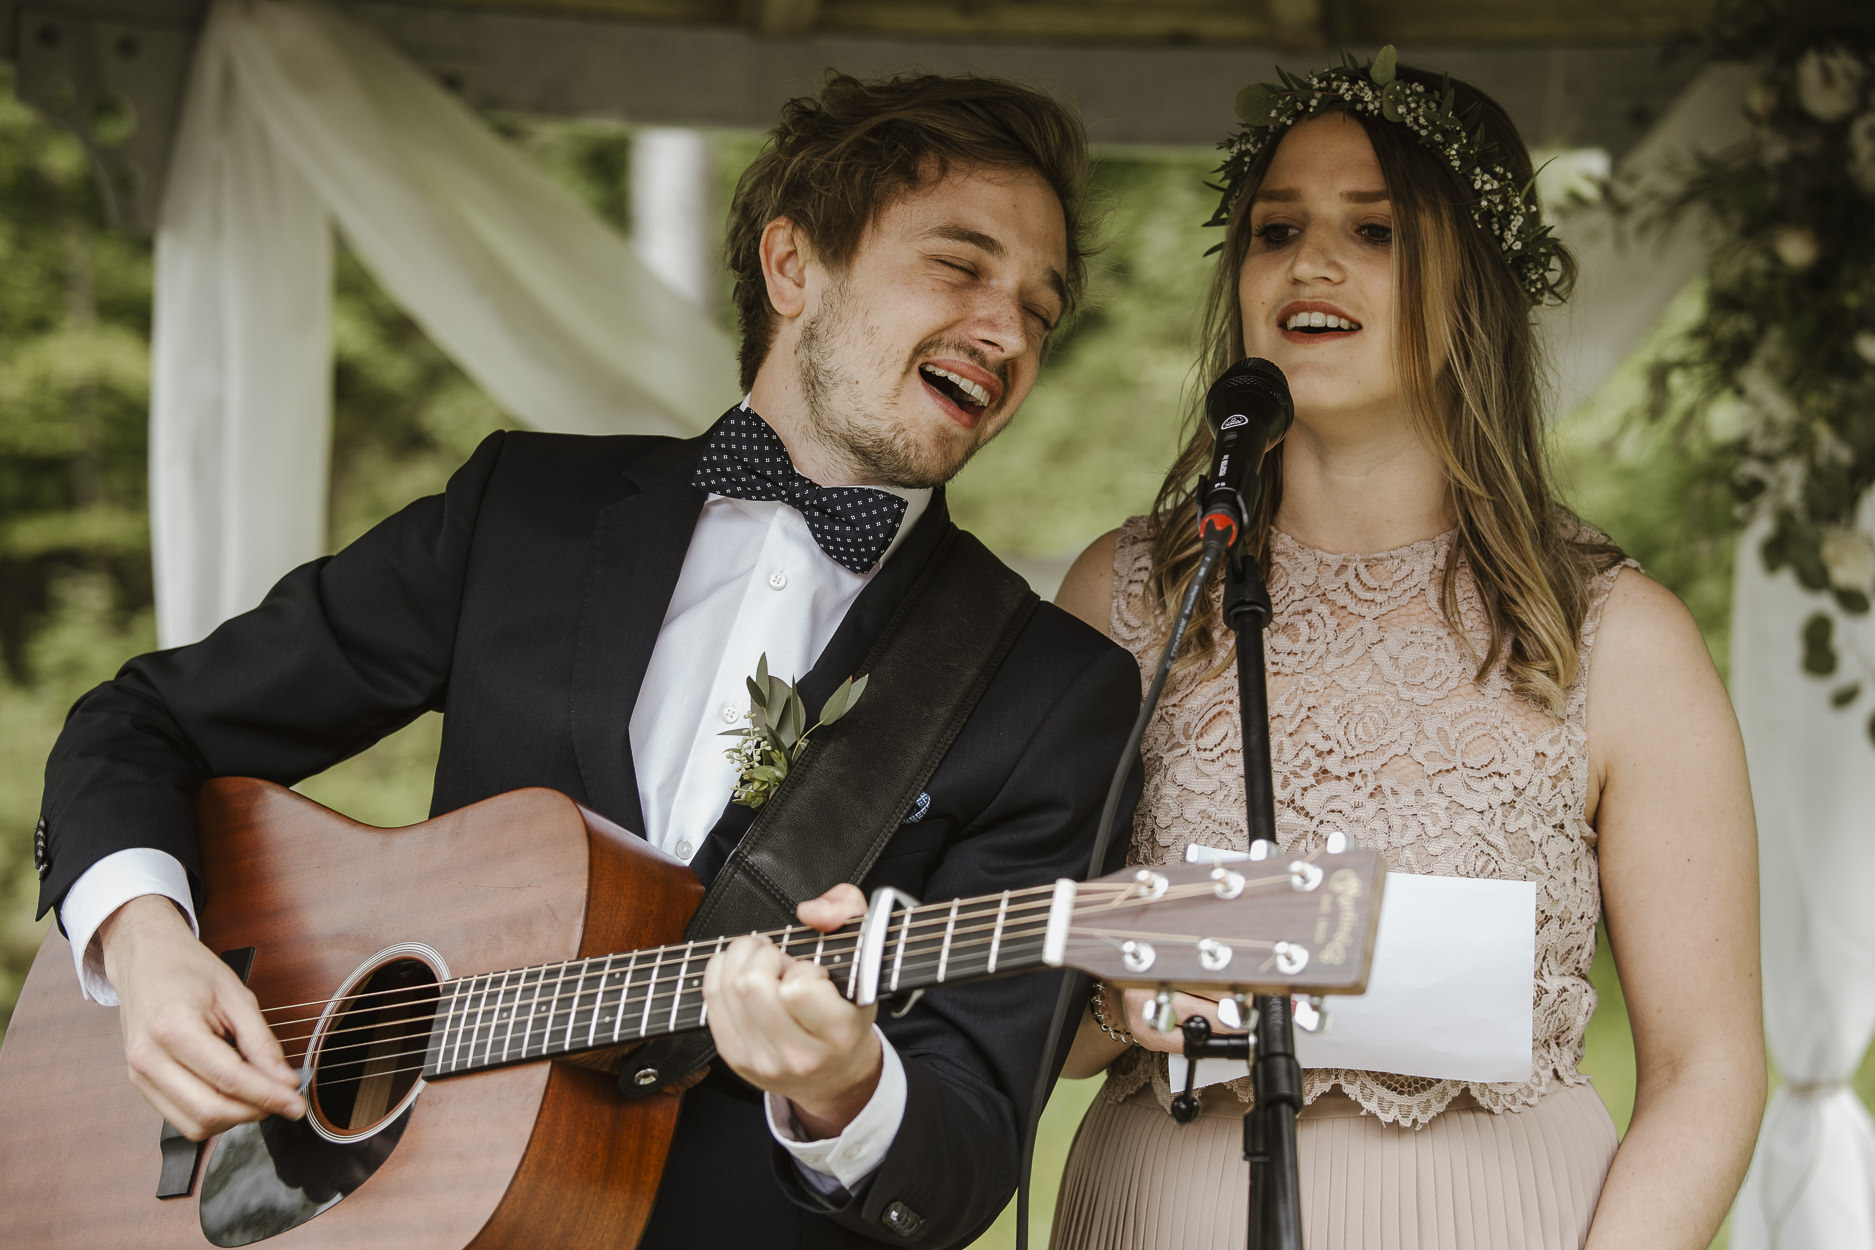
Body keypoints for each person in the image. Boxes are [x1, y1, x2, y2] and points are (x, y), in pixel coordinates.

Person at [32, 73, 1141, 1250]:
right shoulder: (526, 508)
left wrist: (845, 1087)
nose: (1008, 331)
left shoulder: (1051, 688)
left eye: (1040, 308)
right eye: (961, 267)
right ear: (792, 266)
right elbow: (140, 722)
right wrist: (146, 943)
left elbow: (964, 1156)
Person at [1048, 51, 1764, 1249]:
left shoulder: (1618, 635)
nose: (1308, 262)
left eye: (1373, 231)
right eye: (1277, 228)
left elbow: (1709, 1066)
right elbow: (1028, 1030)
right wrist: (1118, 999)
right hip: (1159, 1207)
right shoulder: (1129, 595)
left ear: (1470, 285)